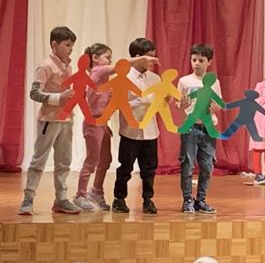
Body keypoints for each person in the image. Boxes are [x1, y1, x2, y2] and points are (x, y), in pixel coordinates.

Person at [74, 43, 158, 211]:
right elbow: (120, 66)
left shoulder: (104, 80)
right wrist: (141, 59)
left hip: (102, 124)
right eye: (107, 57)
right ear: (95, 58)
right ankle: (80, 195)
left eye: (110, 57)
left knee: (106, 160)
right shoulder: (97, 71)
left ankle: (97, 192)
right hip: (93, 123)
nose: (110, 61)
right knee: (92, 160)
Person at [18, 26, 80, 215]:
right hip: (48, 120)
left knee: (64, 161)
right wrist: (59, 97)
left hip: (66, 119)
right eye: (67, 45)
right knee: (39, 160)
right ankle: (28, 199)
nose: (71, 49)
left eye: (72, 45)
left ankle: (61, 199)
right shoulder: (45, 66)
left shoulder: (68, 66)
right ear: (54, 44)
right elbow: (34, 93)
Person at [111, 38, 160, 214]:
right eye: (150, 58)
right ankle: (119, 199)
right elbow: (120, 102)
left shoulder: (155, 78)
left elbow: (159, 101)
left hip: (150, 131)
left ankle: (148, 199)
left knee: (149, 168)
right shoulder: (123, 77)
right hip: (130, 131)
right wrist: (144, 100)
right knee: (125, 167)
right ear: (138, 57)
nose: (153, 61)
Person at [178, 43, 221, 214]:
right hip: (190, 126)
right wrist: (182, 103)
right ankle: (187, 199)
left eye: (201, 60)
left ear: (209, 62)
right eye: (194, 60)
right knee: (187, 164)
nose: (196, 63)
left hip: (208, 127)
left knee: (207, 165)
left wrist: (215, 107)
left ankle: (201, 199)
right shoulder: (184, 81)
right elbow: (179, 103)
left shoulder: (214, 82)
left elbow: (219, 104)